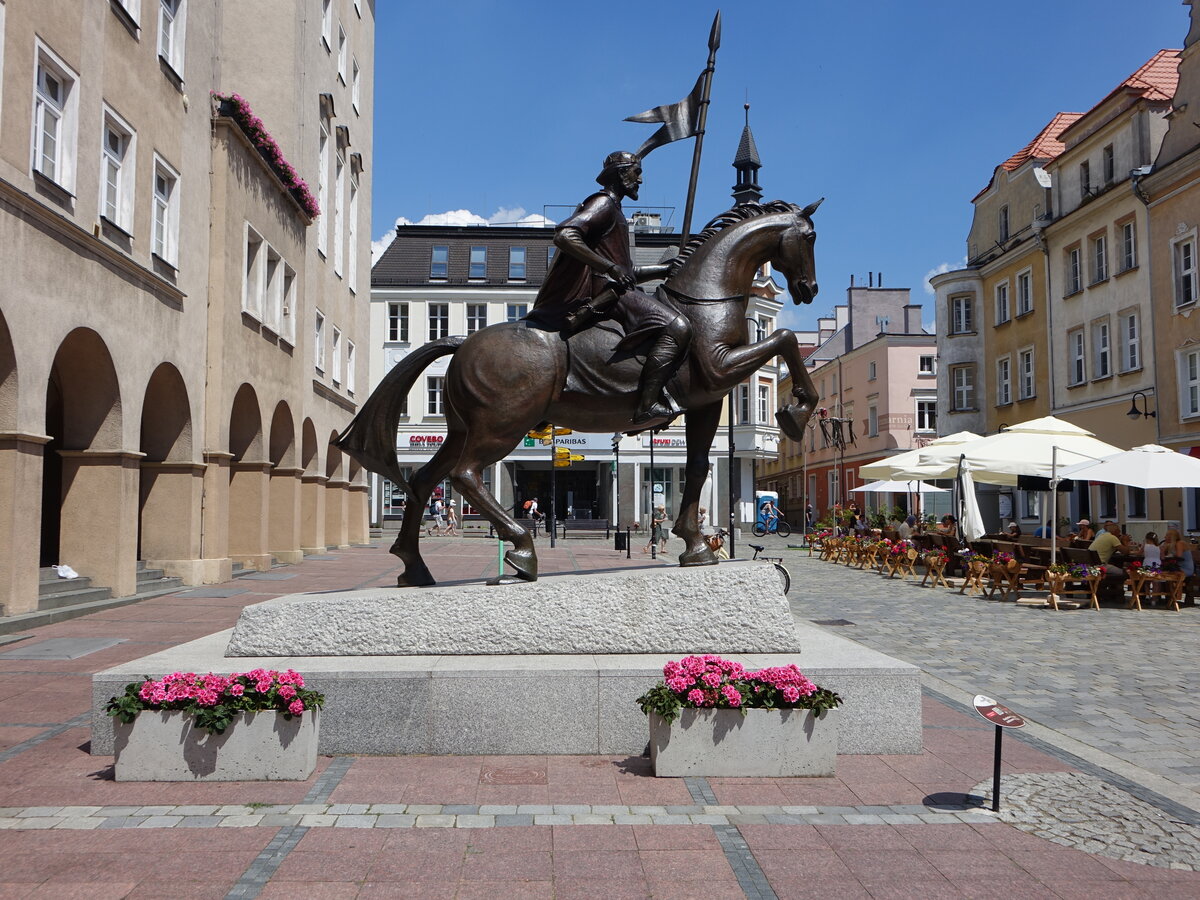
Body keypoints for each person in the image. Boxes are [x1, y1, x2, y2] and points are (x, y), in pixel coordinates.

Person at [527, 150, 688, 425]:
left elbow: (627, 272)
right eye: (636, 173)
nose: (640, 180)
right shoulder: (603, 203)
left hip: (620, 288)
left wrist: (663, 269)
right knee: (678, 326)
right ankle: (647, 404)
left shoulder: (617, 211)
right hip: (612, 296)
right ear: (621, 174)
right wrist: (608, 268)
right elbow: (566, 234)